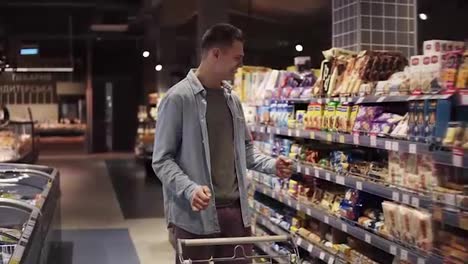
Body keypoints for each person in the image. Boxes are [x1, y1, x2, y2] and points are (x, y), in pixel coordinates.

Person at [152, 23, 293, 264]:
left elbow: (245, 150)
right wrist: (190, 189)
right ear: (216, 54)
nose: (240, 65)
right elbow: (162, 160)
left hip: (236, 214)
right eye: (237, 57)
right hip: (194, 216)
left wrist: (272, 165)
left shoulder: (233, 101)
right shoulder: (178, 99)